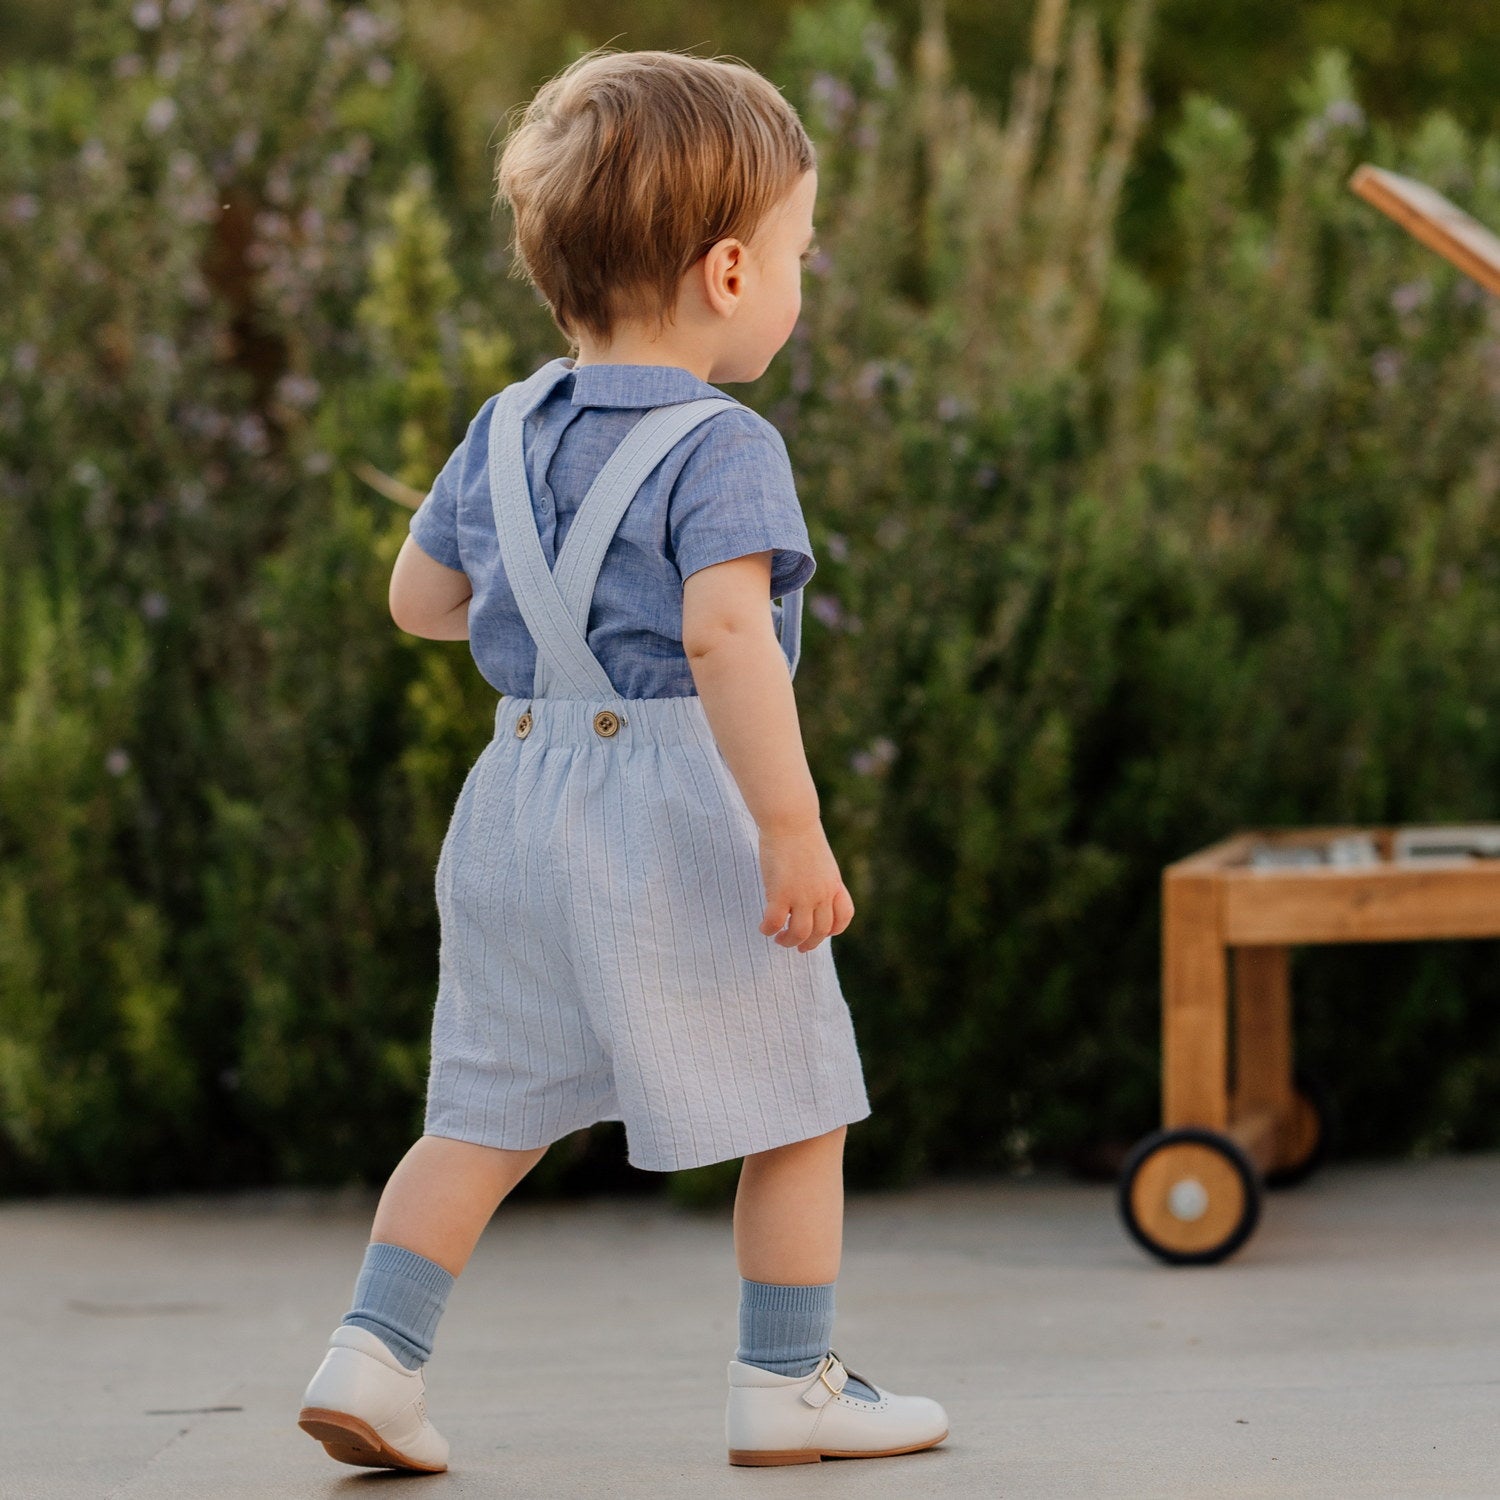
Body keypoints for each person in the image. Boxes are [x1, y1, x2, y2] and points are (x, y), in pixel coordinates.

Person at [295, 46, 949, 1474]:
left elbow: (419, 604)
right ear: (729, 273)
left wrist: (540, 597)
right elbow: (725, 641)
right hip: (676, 804)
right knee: (797, 1097)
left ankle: (373, 1356)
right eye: (800, 255)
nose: (800, 281)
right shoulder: (728, 447)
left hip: (518, 803)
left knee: (481, 1105)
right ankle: (790, 1383)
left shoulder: (504, 424)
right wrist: (791, 829)